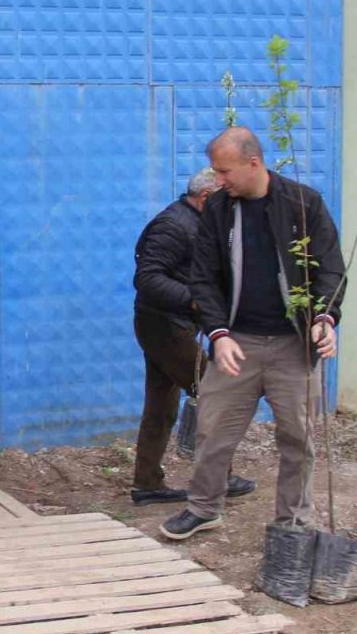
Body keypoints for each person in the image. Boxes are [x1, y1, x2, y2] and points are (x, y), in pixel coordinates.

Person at [160, 127, 346, 540]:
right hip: (237, 342)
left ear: (253, 163)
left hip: (294, 346)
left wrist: (324, 318)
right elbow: (203, 277)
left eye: (224, 171)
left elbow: (331, 268)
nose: (218, 180)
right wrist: (218, 333)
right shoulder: (218, 209)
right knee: (212, 430)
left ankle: (293, 521)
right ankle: (204, 507)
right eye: (215, 171)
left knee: (297, 437)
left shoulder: (303, 204)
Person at [131, 168, 255, 506]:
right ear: (206, 197)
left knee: (160, 406)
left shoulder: (197, 222)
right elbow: (147, 279)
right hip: (166, 326)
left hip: (168, 325)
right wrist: (195, 300)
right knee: (215, 392)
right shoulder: (172, 226)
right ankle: (219, 478)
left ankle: (147, 483)